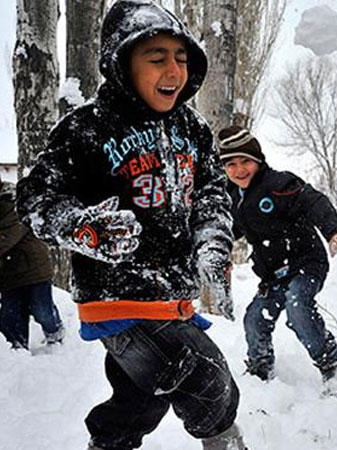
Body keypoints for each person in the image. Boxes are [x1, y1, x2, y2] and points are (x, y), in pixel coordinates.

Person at [16, 1, 247, 449]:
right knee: (208, 381)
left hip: (172, 297)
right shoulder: (87, 129)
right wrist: (83, 228)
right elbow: (35, 198)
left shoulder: (193, 130)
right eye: (156, 58)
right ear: (121, 62)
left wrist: (213, 246)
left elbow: (212, 195)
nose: (173, 71)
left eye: (181, 58)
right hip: (117, 297)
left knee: (139, 403)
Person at [217, 125, 337, 397]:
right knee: (255, 317)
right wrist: (216, 252)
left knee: (297, 306)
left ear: (258, 160)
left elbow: (313, 201)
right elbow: (228, 231)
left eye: (245, 161)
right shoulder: (234, 200)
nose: (239, 170)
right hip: (274, 275)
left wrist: (332, 230)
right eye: (231, 164)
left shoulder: (278, 184)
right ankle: (260, 368)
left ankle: (331, 363)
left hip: (306, 263)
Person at [0, 178, 64, 350]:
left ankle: (55, 332)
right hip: (7, 273)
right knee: (9, 315)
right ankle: (17, 350)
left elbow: (7, 237)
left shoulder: (14, 201)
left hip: (34, 268)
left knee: (42, 310)